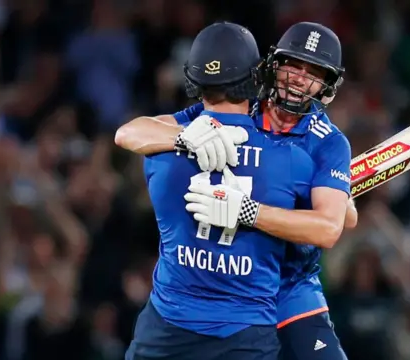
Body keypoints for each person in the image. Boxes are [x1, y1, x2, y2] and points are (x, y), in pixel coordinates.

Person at [117, 22, 352, 360]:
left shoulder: (327, 142)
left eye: (313, 72)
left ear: (326, 86)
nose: (299, 78)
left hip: (290, 287)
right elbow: (130, 131)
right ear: (271, 65)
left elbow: (330, 227)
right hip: (239, 292)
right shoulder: (241, 104)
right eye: (293, 65)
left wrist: (248, 211)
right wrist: (182, 137)